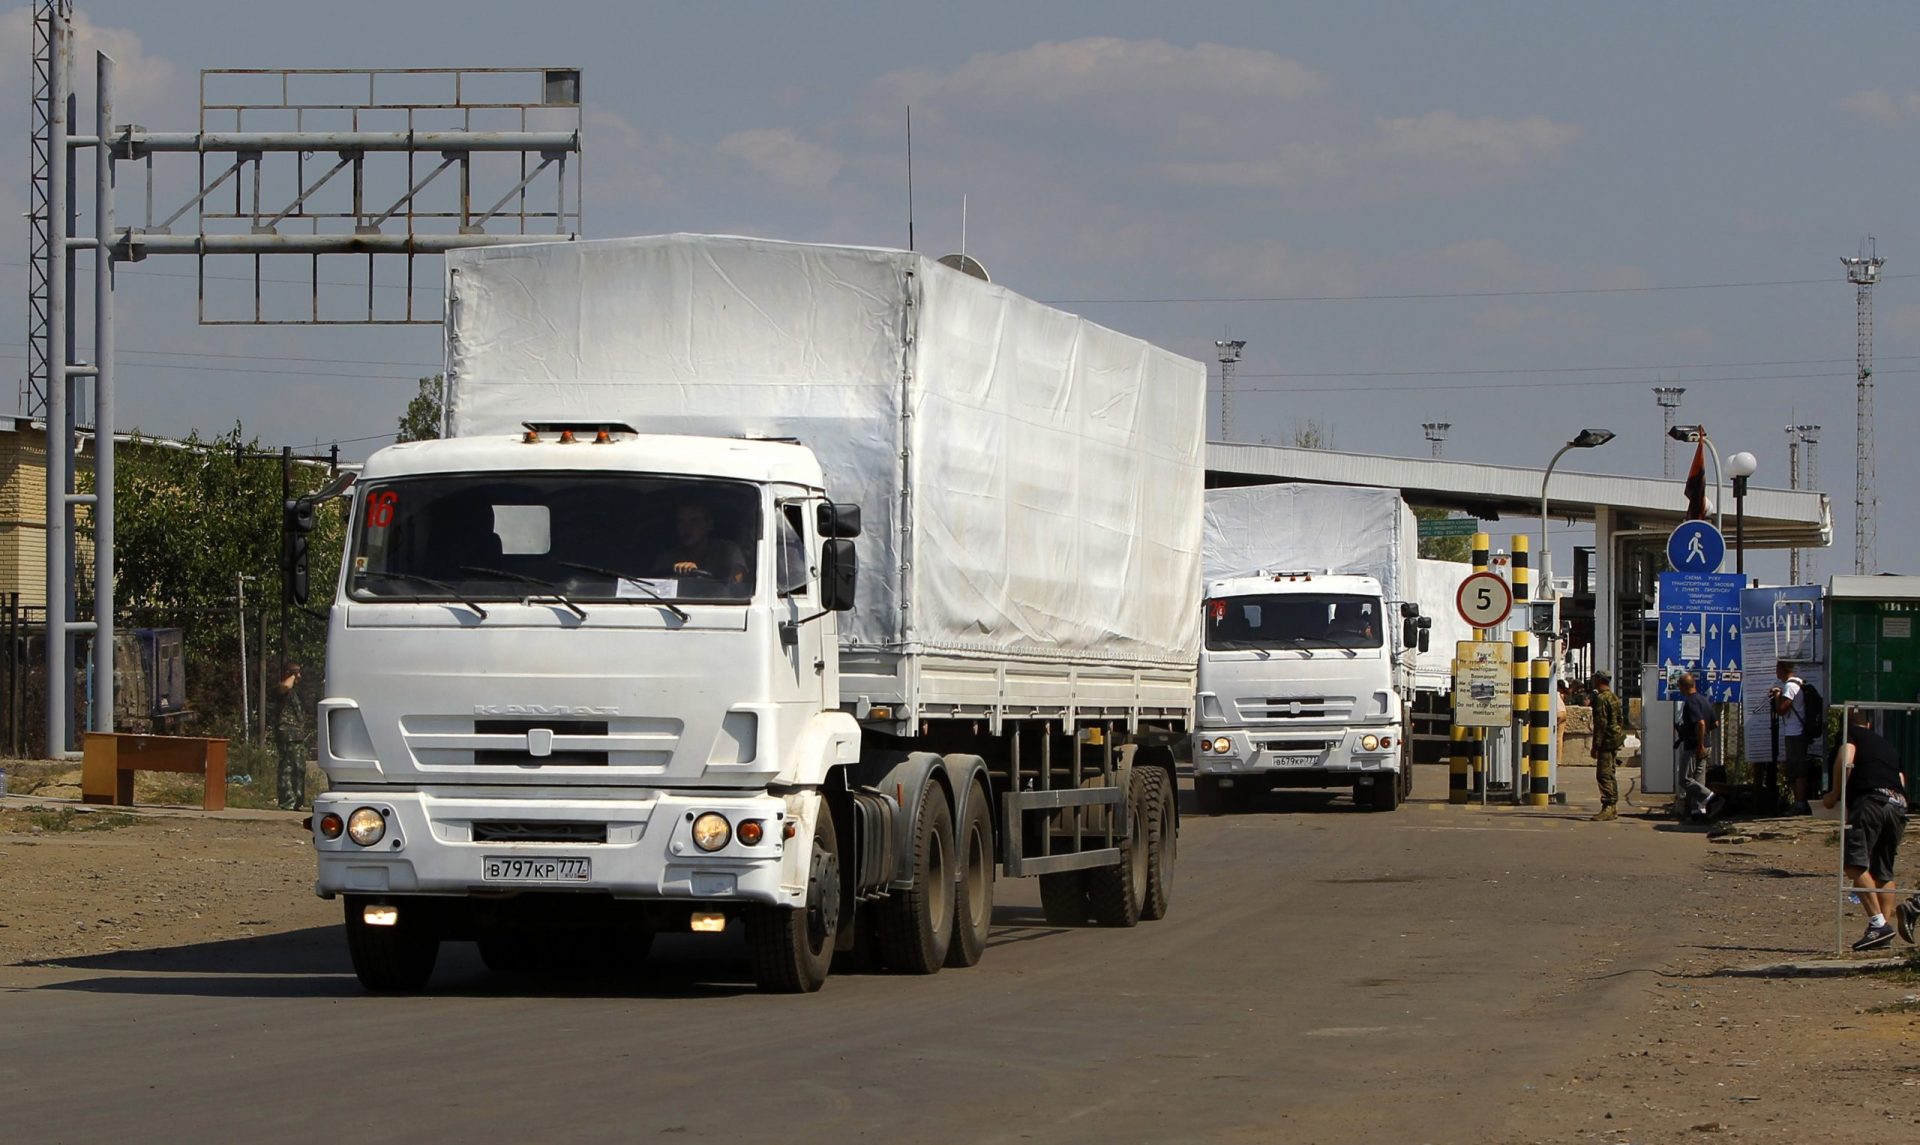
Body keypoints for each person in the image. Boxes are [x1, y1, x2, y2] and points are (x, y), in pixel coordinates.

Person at [1824, 706, 1908, 950]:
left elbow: (1846, 758)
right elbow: (1902, 780)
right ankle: (1883, 930)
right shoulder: (1887, 746)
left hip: (1870, 802)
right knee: (1884, 870)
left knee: (1854, 863)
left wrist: (1835, 794)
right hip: (1898, 804)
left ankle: (1877, 924)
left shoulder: (1851, 737)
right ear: (1869, 724)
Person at [657, 502, 747, 584]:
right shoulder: (667, 558)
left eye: (694, 521)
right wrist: (676, 578)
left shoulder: (727, 551)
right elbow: (655, 588)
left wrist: (698, 577)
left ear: (709, 525)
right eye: (681, 522)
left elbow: (735, 584)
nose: (687, 527)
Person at [1675, 672, 1724, 821]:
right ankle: (1698, 811)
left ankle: (1712, 798)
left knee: (1684, 779)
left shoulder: (1691, 702)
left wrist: (1700, 743)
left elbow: (1701, 723)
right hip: (1705, 744)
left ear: (1683, 687)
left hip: (1694, 745)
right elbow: (1715, 723)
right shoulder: (1704, 700)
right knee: (1699, 777)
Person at [1768, 660, 1815, 815]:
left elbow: (1782, 709)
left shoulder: (1790, 686)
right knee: (1794, 769)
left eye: (1777, 669)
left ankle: (1800, 803)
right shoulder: (1798, 683)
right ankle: (1798, 802)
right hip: (1796, 732)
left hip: (1796, 733)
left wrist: (1777, 696)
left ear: (1782, 669)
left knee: (1797, 769)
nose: (1776, 673)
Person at [1587, 670, 1627, 821]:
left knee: (1603, 774)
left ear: (1599, 680)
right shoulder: (1613, 697)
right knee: (1610, 772)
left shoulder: (1601, 698)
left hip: (1606, 741)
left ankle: (1609, 806)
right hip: (1614, 739)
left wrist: (1595, 745)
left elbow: (1601, 724)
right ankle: (1612, 806)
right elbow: (1619, 719)